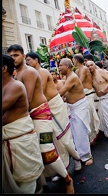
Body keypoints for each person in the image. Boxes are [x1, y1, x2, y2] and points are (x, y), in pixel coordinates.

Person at [7, 44, 75, 194]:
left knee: (46, 150)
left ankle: (67, 179)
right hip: (29, 116)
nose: (13, 58)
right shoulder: (16, 74)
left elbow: (28, 99)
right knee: (34, 152)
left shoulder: (29, 72)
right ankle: (42, 185)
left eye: (16, 55)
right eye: (10, 55)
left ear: (23, 56)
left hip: (41, 115)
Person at [25, 52, 81, 172]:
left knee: (64, 137)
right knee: (54, 141)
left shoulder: (43, 72)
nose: (27, 62)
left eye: (29, 60)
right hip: (42, 109)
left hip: (54, 106)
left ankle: (77, 158)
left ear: (36, 60)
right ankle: (63, 168)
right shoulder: (29, 75)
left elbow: (39, 92)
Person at [2, 54, 44, 194]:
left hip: (20, 140)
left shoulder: (15, 86)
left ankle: (66, 178)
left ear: (4, 68)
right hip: (11, 140)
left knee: (26, 182)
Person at [58, 58, 93, 166]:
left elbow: (61, 92)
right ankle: (80, 154)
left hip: (79, 107)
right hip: (73, 108)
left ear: (67, 66)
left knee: (80, 132)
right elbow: (67, 93)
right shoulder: (67, 77)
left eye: (60, 66)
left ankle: (87, 156)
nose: (58, 68)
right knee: (75, 133)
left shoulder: (72, 77)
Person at [86, 60, 108, 143]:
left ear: (94, 65)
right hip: (101, 99)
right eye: (87, 66)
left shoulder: (101, 72)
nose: (90, 67)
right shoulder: (89, 77)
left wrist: (104, 89)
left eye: (91, 65)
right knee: (104, 117)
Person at [73, 54, 100, 145]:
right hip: (83, 96)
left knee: (90, 117)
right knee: (86, 118)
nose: (73, 61)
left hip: (88, 95)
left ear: (76, 60)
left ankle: (93, 136)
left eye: (73, 60)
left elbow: (78, 83)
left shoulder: (84, 69)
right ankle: (88, 137)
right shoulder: (77, 70)